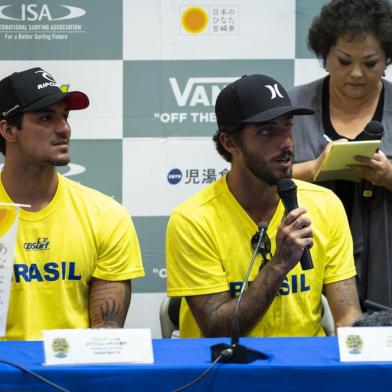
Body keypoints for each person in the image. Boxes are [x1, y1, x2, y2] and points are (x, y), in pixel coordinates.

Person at [166, 74, 361, 338]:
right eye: (267, 130)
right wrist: (279, 264)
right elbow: (217, 328)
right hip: (225, 372)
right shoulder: (192, 220)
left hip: (306, 369)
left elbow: (348, 317)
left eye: (288, 126)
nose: (287, 142)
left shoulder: (325, 205)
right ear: (230, 142)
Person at [0, 67, 145, 340]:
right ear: (9, 130)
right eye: (46, 118)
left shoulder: (106, 216)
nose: (64, 128)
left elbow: (106, 336)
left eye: (64, 117)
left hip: (71, 378)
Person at [289, 0, 392, 308]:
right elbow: (257, 178)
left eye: (370, 63)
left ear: (386, 59)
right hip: (305, 252)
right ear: (325, 56)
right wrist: (312, 170)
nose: (357, 74)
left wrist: (388, 177)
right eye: (345, 61)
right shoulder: (292, 107)